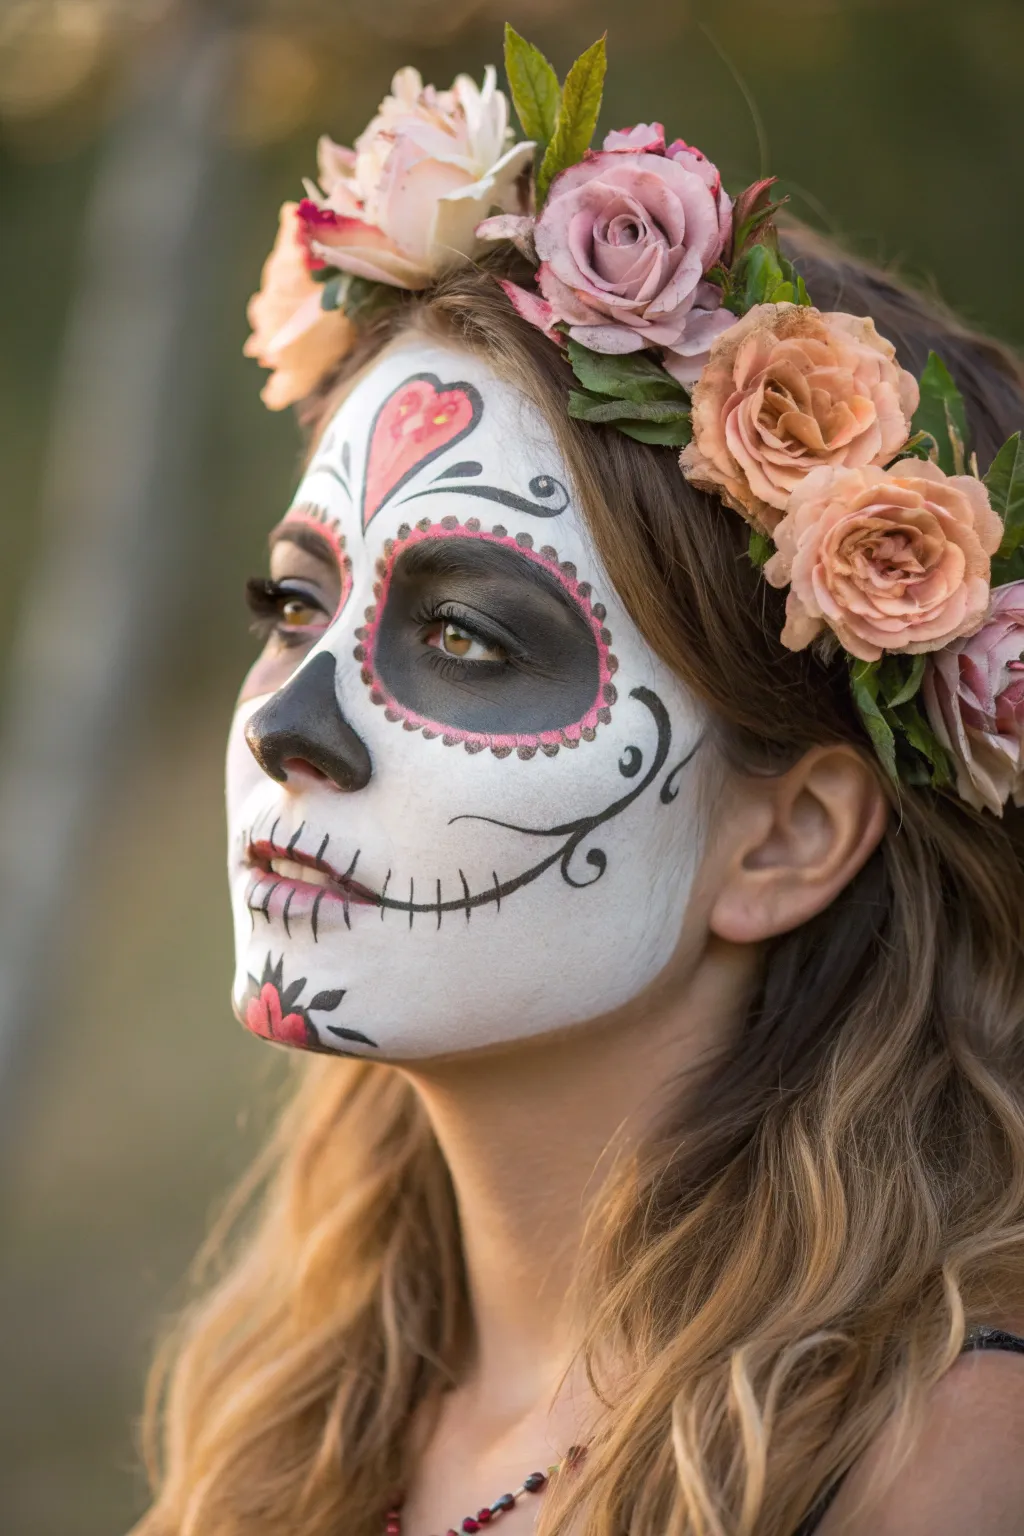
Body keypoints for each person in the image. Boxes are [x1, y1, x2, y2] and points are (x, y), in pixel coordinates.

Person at [135, 35, 1024, 1536]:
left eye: (468, 638)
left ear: (788, 838)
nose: (291, 720)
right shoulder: (300, 1405)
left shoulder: (931, 1460)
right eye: (295, 605)